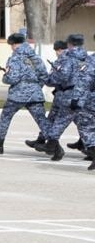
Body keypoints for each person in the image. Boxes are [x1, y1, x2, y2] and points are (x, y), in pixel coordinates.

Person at [0, 32, 48, 155]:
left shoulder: (15, 58)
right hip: (35, 94)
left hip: (17, 95)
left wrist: (5, 77)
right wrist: (35, 87)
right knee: (42, 120)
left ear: (14, 44)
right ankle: (55, 146)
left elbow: (12, 78)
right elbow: (44, 76)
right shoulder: (35, 58)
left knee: (5, 117)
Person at [38, 33, 89, 161]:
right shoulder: (88, 58)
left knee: (60, 121)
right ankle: (87, 148)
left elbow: (63, 76)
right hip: (86, 95)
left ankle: (51, 145)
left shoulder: (69, 58)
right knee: (85, 123)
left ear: (69, 44)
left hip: (70, 94)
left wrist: (49, 80)